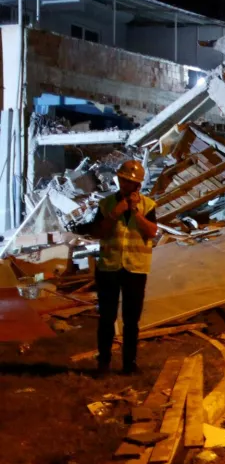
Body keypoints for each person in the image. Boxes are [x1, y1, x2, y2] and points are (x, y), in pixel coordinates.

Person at [95, 160, 158, 376]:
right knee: (106, 318)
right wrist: (115, 213)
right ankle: (103, 363)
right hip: (109, 267)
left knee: (132, 320)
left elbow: (151, 231)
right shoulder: (105, 204)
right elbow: (99, 232)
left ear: (138, 185)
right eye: (123, 180)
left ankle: (129, 364)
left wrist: (136, 213)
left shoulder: (148, 205)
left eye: (130, 182)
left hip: (135, 268)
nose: (125, 185)